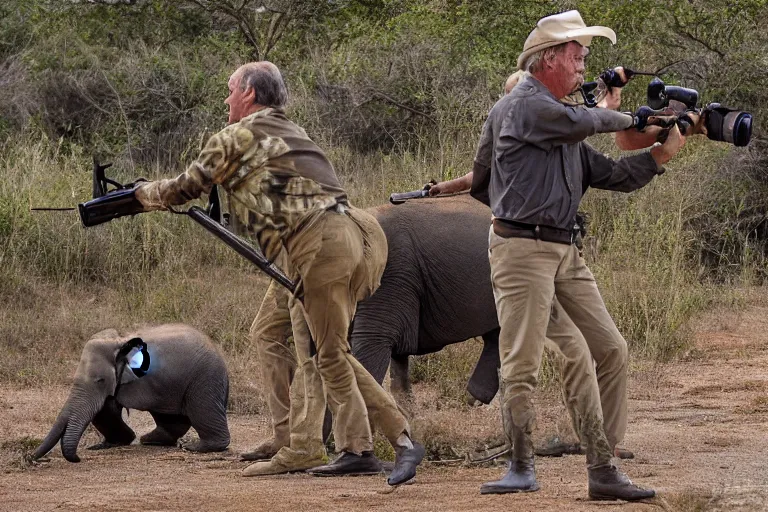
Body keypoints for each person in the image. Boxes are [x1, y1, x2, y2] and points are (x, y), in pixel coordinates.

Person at [133, 61, 424, 486]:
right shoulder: (288, 128)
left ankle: (397, 440)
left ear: (249, 92)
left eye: (231, 89)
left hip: (319, 244)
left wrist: (140, 195)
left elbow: (187, 185)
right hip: (329, 239)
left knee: (331, 353)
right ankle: (300, 439)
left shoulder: (237, 135)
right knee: (271, 332)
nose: (227, 98)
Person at [479, 10, 686, 500]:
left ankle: (604, 465)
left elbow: (611, 175)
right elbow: (586, 120)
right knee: (522, 363)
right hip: (524, 249)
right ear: (549, 58)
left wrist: (659, 155)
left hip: (563, 249)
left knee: (610, 348)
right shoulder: (525, 104)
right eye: (576, 56)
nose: (583, 66)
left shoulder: (562, 120)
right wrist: (638, 119)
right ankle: (520, 464)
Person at [429, 68, 636, 462]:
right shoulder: (520, 115)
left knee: (584, 349)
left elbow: (593, 135)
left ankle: (600, 449)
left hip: (559, 251)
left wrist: (646, 140)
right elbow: (484, 176)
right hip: (522, 253)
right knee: (528, 356)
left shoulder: (558, 128)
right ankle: (524, 456)